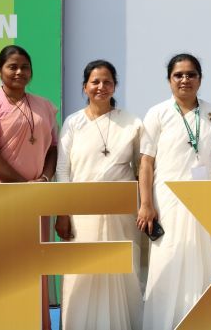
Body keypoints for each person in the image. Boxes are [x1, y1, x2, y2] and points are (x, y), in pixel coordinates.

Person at [138, 53, 211, 330]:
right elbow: (146, 162)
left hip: (207, 202)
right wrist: (146, 203)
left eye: (191, 74)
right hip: (167, 201)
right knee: (169, 261)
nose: (185, 80)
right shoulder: (157, 114)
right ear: (169, 80)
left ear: (200, 79)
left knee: (208, 262)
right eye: (178, 75)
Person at [54, 60, 145, 330]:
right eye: (95, 82)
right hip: (82, 214)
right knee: (81, 273)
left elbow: (142, 169)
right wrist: (63, 211)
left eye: (107, 82)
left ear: (115, 85)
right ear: (85, 87)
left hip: (121, 215)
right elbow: (62, 169)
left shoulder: (131, 123)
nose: (101, 87)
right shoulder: (73, 123)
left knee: (123, 274)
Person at [0, 44, 59, 330]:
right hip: (1, 198)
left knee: (36, 269)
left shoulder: (45, 105)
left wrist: (44, 181)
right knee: (4, 268)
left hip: (36, 200)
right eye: (12, 66)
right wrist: (24, 188)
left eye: (24, 66)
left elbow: (53, 150)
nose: (19, 72)